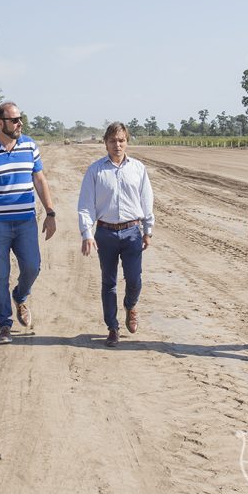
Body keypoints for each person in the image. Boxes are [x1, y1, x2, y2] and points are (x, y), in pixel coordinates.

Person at [0, 102, 57, 344]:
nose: (20, 123)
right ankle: (4, 324)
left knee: (33, 267)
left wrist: (50, 212)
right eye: (15, 119)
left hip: (26, 221)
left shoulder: (29, 146)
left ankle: (20, 295)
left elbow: (39, 180)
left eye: (20, 118)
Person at [77, 121, 154, 347]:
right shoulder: (95, 170)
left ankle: (131, 305)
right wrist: (86, 233)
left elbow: (147, 201)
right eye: (112, 141)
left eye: (121, 140)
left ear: (127, 142)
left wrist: (147, 230)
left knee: (134, 279)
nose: (117, 145)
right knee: (108, 282)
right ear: (105, 143)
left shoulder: (138, 169)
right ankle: (112, 327)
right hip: (105, 234)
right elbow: (85, 205)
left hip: (132, 232)